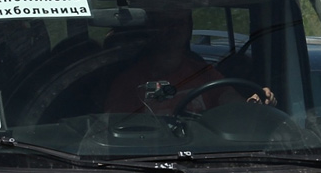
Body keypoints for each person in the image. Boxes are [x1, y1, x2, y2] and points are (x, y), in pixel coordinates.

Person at [104, 7, 275, 115]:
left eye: (181, 22)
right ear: (154, 29)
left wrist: (255, 102)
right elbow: (118, 130)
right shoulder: (129, 82)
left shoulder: (203, 73)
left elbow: (229, 100)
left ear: (189, 28)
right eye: (167, 23)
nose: (175, 29)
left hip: (208, 153)